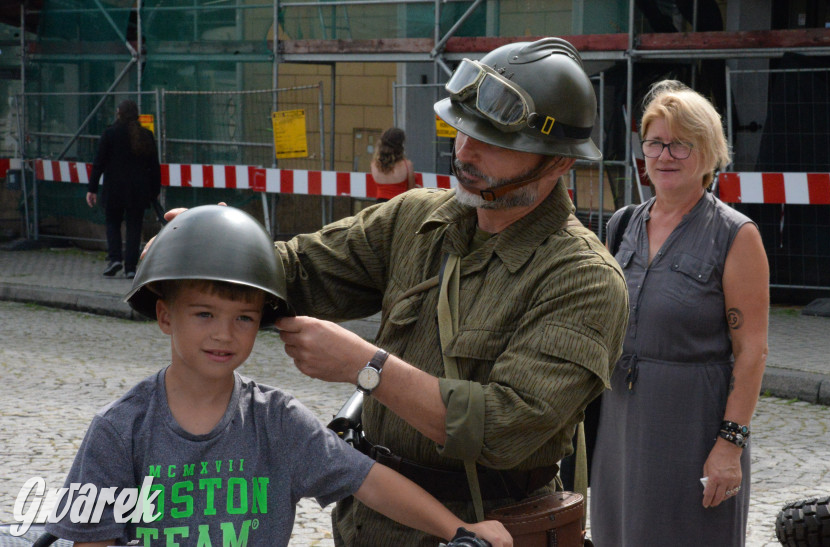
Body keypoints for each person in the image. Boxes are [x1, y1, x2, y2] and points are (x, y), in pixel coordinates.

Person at [269, 37, 629, 546]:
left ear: (558, 163)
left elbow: (504, 426)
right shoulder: (418, 218)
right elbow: (300, 270)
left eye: (495, 142)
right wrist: (208, 252)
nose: (465, 151)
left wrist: (368, 368)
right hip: (370, 522)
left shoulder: (583, 278)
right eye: (462, 130)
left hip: (480, 532)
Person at [45, 205, 511, 547]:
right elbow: (93, 541)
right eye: (204, 314)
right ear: (165, 316)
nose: (224, 333)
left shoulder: (278, 422)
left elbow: (369, 480)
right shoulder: (120, 429)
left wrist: (459, 529)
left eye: (244, 318)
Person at [590, 80, 770, 546]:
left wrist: (729, 446)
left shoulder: (735, 235)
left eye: (680, 145)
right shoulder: (622, 224)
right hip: (622, 425)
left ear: (708, 153)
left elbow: (752, 351)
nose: (664, 155)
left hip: (692, 426)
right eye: (655, 143)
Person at [86, 98, 161, 279]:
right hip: (138, 190)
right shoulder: (145, 135)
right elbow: (154, 166)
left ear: (118, 114)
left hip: (114, 188)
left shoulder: (110, 134)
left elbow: (99, 163)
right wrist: (154, 190)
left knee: (112, 223)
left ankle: (115, 259)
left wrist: (92, 188)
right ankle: (131, 267)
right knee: (134, 226)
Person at [371, 126, 416, 202]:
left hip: (380, 206)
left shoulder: (374, 164)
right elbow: (411, 192)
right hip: (399, 205)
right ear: (400, 145)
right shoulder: (407, 165)